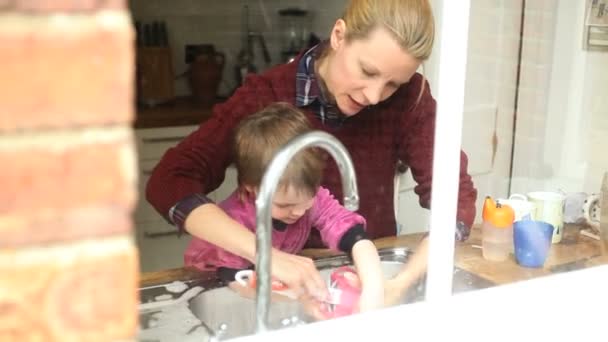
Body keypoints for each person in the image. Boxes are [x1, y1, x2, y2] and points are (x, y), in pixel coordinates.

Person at [146, 0, 477, 306]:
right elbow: (170, 180)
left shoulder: (409, 98)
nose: (375, 96)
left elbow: (455, 196)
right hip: (280, 287)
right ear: (338, 36)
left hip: (360, 277)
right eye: (368, 71)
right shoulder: (267, 95)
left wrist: (400, 282)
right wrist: (266, 254)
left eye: (393, 84)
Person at [183, 102, 385, 314]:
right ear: (252, 189)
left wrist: (374, 288)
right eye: (284, 205)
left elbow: (355, 237)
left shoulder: (311, 200)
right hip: (212, 286)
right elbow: (238, 281)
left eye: (309, 197)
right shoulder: (237, 220)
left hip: (268, 281)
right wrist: (301, 302)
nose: (299, 212)